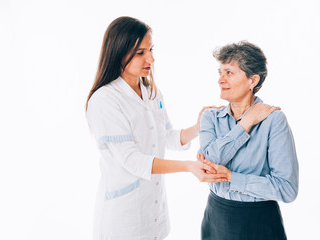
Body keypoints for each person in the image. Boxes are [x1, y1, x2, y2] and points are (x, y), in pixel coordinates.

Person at [85, 16, 228, 240]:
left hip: (154, 208)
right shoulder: (105, 100)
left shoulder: (151, 92)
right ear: (119, 52)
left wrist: (198, 126)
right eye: (140, 52)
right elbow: (133, 160)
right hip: (124, 218)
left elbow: (166, 137)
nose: (151, 58)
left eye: (150, 49)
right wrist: (188, 166)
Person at [198, 41, 299, 240]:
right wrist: (246, 123)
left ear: (252, 81)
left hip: (259, 222)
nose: (220, 79)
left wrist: (231, 178)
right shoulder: (210, 116)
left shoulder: (274, 120)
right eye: (220, 72)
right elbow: (207, 163)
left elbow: (287, 189)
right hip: (215, 216)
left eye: (229, 72)